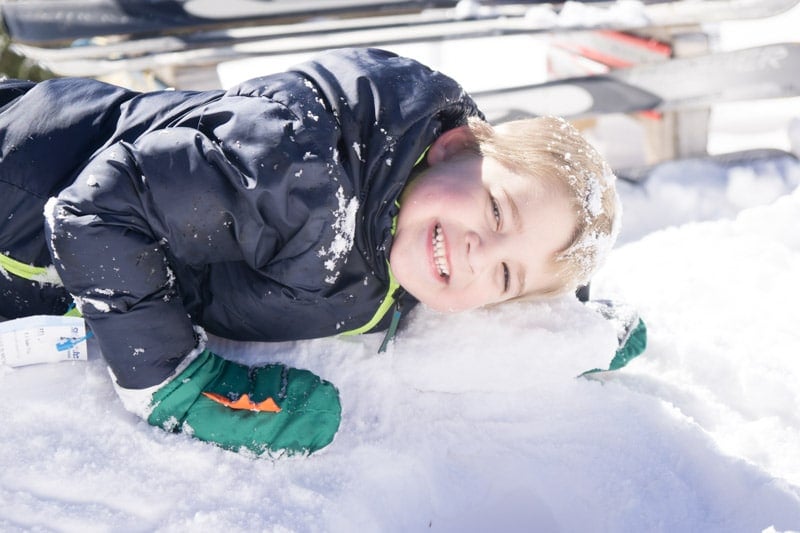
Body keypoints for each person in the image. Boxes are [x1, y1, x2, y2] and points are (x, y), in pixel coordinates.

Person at [0, 47, 620, 456]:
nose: (479, 252)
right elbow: (95, 209)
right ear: (454, 149)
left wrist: (567, 319)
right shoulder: (296, 171)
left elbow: (531, 241)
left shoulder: (414, 217)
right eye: (494, 211)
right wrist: (169, 380)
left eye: (506, 275)